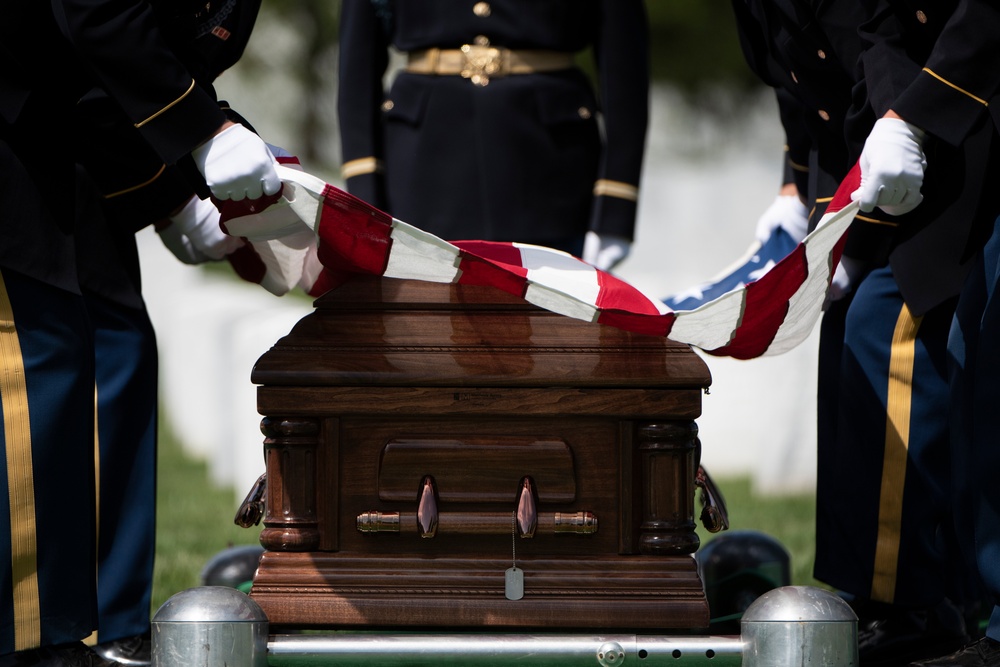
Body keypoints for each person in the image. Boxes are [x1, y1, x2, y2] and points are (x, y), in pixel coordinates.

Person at [0, 1, 280, 663]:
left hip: (68, 127)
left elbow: (118, 73)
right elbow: (97, 18)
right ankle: (34, 635)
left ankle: (107, 623)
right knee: (39, 353)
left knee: (118, 347)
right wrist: (204, 138)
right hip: (13, 116)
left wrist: (174, 192)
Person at [729, 0, 997, 664]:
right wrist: (810, 206)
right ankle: (889, 597)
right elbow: (812, 95)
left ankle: (924, 598)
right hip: (893, 158)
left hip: (953, 144)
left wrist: (860, 218)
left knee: (893, 331)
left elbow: (879, 64)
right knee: (850, 332)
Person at [841, 0, 1000, 665]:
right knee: (956, 347)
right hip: (959, 134)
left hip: (972, 115)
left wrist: (914, 116)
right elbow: (880, 31)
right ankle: (957, 603)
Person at [335, 0, 649, 270]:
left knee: (553, 334)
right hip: (422, 178)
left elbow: (625, 66)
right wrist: (365, 198)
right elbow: (357, 70)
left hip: (551, 176)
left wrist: (616, 206)